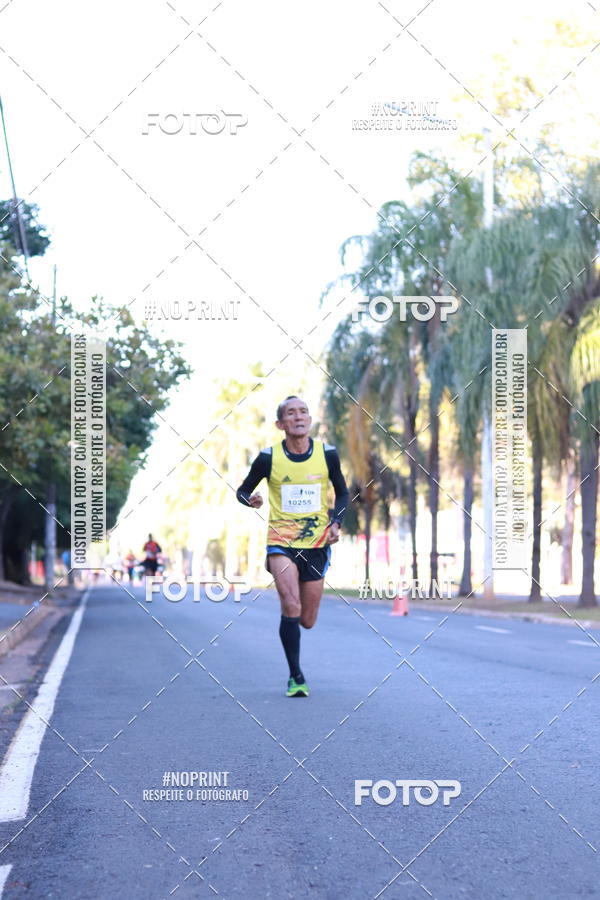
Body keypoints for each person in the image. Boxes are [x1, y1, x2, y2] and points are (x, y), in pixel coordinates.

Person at [236, 395, 348, 697]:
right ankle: (296, 676)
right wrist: (251, 499)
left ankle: (293, 628)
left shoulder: (328, 455)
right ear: (280, 424)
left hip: (316, 544)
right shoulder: (268, 458)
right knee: (292, 605)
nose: (298, 417)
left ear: (309, 420)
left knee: (307, 620)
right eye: (291, 413)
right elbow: (243, 490)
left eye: (303, 412)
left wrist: (336, 522)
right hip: (281, 543)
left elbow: (343, 493)